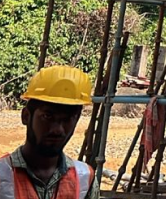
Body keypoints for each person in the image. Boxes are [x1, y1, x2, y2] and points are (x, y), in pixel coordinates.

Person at [1, 66, 97, 199]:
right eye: (47, 116)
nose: (58, 129)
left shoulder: (85, 178)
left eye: (67, 119)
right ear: (26, 116)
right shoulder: (2, 174)